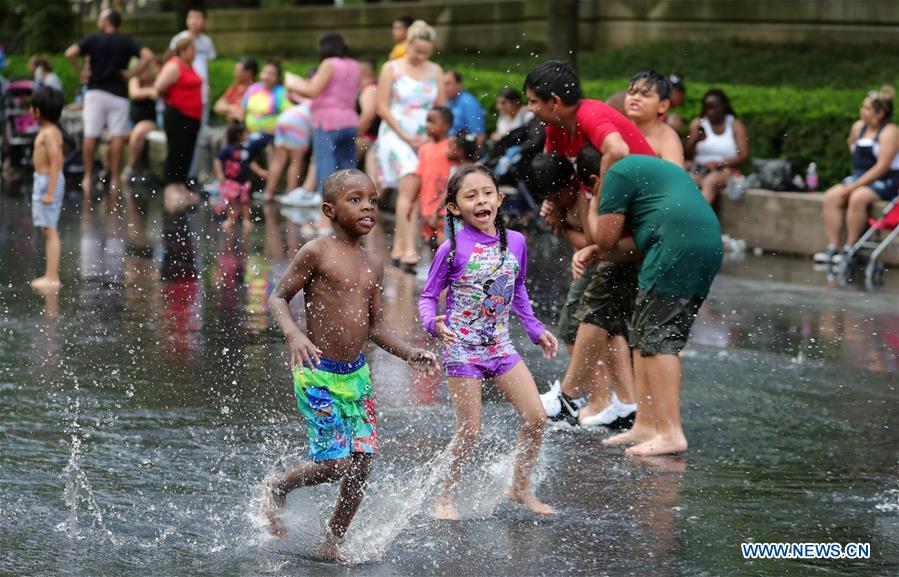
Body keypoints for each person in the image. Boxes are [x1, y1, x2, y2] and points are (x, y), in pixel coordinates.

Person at [263, 169, 438, 561]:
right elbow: (277, 298)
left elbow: (375, 327)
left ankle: (332, 542)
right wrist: (294, 334)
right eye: (355, 199)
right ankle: (279, 486)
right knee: (334, 463)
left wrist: (412, 353)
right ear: (329, 209)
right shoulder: (316, 251)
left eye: (373, 200)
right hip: (316, 372)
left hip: (355, 375)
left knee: (362, 462)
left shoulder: (373, 263)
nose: (368, 207)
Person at [419, 165, 557, 520]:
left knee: (537, 417)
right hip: (462, 348)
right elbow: (428, 296)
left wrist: (535, 329)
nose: (481, 200)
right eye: (470, 196)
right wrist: (432, 325)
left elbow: (519, 287)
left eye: (487, 193)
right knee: (469, 431)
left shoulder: (517, 242)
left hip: (500, 347)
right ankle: (445, 496)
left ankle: (519, 486)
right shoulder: (451, 249)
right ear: (454, 208)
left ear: (499, 198)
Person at [524, 60, 654, 425]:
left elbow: (618, 149)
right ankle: (624, 404)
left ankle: (572, 399)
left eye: (533, 102)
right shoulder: (557, 129)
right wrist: (551, 200)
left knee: (592, 308)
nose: (530, 109)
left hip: (640, 216)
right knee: (604, 314)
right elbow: (556, 169)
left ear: (553, 101)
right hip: (622, 224)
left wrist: (603, 199)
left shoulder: (590, 113)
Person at [577, 154, 722, 456]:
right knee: (644, 334)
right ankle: (646, 424)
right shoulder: (649, 174)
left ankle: (671, 432)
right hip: (702, 242)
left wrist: (593, 210)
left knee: (660, 337)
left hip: (675, 248)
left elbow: (605, 239)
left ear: (595, 181)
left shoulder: (615, 175)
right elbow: (639, 242)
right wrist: (598, 251)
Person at [376, 19, 444, 272]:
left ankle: (399, 247)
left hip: (425, 136)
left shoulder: (435, 70)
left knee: (418, 188)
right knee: (408, 181)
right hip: (396, 133)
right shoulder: (391, 68)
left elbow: (440, 109)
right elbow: (382, 106)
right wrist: (404, 135)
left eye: (426, 52)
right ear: (408, 44)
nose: (421, 56)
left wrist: (432, 137)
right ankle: (407, 249)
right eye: (417, 51)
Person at [65, 8, 154, 197]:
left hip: (96, 91)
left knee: (91, 135)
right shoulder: (126, 40)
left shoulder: (93, 39)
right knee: (117, 136)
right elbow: (148, 56)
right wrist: (132, 73)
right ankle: (114, 177)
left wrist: (81, 72)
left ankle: (88, 176)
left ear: (105, 21)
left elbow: (70, 53)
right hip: (119, 94)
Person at [815, 85, 899, 264]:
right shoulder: (858, 127)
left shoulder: (890, 132)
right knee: (831, 196)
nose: (862, 111)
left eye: (867, 108)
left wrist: (855, 185)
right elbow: (852, 146)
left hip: (886, 179)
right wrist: (855, 182)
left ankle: (850, 248)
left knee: (857, 197)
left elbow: (882, 166)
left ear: (880, 113)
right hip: (860, 176)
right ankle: (834, 247)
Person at [286, 32, 360, 193]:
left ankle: (327, 210)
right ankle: (350, 206)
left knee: (326, 167)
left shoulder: (329, 64)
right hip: (350, 121)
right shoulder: (355, 65)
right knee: (348, 169)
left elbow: (313, 91)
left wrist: (292, 83)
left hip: (327, 123)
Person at [155, 36, 203, 208]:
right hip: (178, 114)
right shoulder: (174, 65)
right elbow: (159, 86)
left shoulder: (190, 66)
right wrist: (171, 100)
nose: (195, 52)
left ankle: (181, 184)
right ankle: (171, 185)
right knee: (176, 149)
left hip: (193, 116)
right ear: (183, 50)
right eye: (192, 49)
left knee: (187, 151)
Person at [685, 88, 750, 204]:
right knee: (688, 181)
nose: (710, 112)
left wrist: (718, 164)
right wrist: (695, 139)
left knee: (710, 182)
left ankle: (697, 219)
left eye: (714, 107)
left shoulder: (735, 124)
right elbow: (686, 155)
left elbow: (744, 155)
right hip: (699, 169)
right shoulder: (698, 124)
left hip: (725, 170)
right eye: (707, 108)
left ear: (724, 106)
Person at [30, 87, 65, 290]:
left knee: (50, 230)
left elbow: (56, 162)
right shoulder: (49, 131)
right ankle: (50, 274)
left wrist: (50, 192)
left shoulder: (49, 134)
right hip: (43, 181)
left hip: (47, 182)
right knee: (47, 228)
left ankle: (52, 276)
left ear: (37, 111)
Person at [410, 106, 454, 250]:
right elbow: (419, 178)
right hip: (427, 209)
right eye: (427, 121)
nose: (427, 126)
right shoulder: (424, 149)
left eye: (432, 122)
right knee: (430, 245)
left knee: (445, 244)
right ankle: (435, 272)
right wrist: (411, 202)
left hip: (444, 209)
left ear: (446, 126)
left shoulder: (451, 149)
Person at [215, 122, 268, 231]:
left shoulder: (246, 149)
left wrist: (259, 171)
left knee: (244, 201)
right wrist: (219, 173)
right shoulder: (228, 149)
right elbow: (217, 160)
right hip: (231, 180)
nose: (247, 135)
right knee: (230, 200)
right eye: (245, 133)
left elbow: (250, 162)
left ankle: (246, 220)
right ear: (238, 135)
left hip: (244, 180)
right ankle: (230, 219)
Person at [624, 71, 684, 165]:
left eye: (645, 94)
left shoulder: (667, 139)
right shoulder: (616, 129)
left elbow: (674, 178)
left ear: (663, 105)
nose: (635, 98)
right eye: (632, 92)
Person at [264, 92, 312, 204]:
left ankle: (268, 192)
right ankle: (291, 194)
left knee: (278, 160)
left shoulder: (305, 102)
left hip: (283, 119)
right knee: (295, 161)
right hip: (298, 123)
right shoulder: (319, 104)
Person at [122, 57, 161, 182]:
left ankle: (130, 168)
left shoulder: (156, 81)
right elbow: (135, 93)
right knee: (116, 136)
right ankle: (109, 169)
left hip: (150, 121)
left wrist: (151, 90)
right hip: (133, 121)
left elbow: (158, 92)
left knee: (138, 132)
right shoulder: (135, 81)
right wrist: (149, 92)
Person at [241, 60, 291, 147]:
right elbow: (243, 109)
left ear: (277, 77)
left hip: (270, 133)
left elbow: (289, 115)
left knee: (251, 145)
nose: (267, 76)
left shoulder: (281, 93)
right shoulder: (254, 88)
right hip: (249, 131)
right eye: (265, 72)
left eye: (272, 74)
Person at [444, 70, 486, 147]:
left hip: (461, 152)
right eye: (443, 84)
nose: (444, 87)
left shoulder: (468, 103)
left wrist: (469, 158)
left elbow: (479, 136)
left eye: (448, 84)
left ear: (459, 85)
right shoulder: (447, 101)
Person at [356, 58, 381, 185]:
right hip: (371, 139)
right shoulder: (373, 87)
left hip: (369, 139)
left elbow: (368, 115)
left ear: (362, 72)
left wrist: (354, 134)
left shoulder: (370, 88)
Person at [214, 58, 257, 123]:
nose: (234, 74)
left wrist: (228, 109)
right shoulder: (235, 87)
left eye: (238, 71)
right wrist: (233, 108)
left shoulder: (257, 90)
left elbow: (243, 116)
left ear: (249, 73)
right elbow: (217, 106)